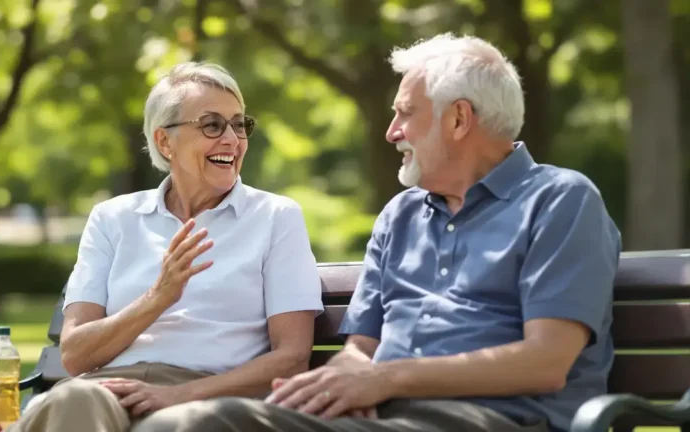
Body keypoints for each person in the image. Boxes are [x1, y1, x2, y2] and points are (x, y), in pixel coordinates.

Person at [133, 33, 622, 432]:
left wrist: (385, 380)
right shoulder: (401, 216)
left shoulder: (560, 200)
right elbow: (359, 353)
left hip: (494, 419)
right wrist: (324, 391)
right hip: (385, 418)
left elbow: (547, 361)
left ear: (458, 119)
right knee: (186, 425)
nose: (391, 131)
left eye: (405, 113)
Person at [6, 62, 324, 432]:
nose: (232, 140)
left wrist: (181, 394)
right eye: (212, 125)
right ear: (164, 141)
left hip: (210, 401)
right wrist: (159, 296)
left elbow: (292, 358)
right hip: (106, 392)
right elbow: (76, 355)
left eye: (239, 124)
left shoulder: (275, 217)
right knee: (71, 398)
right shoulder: (113, 218)